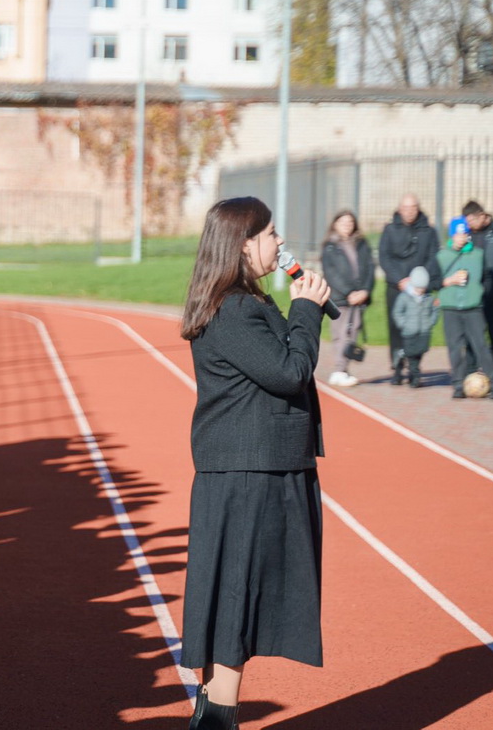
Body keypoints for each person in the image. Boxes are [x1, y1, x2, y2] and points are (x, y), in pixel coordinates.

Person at [178, 197, 329, 730]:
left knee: (235, 591)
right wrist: (306, 310)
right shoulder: (235, 309)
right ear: (244, 244)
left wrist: (296, 309)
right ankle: (219, 717)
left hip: (254, 468)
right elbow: (289, 373)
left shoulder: (244, 301)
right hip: (248, 473)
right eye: (270, 233)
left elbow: (282, 361)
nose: (279, 240)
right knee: (236, 593)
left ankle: (213, 712)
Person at [435, 219, 493, 399]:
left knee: (481, 346)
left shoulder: (478, 255)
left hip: (473, 308)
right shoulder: (442, 256)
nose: (461, 238)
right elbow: (434, 281)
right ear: (452, 235)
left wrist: (480, 291)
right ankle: (457, 384)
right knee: (455, 347)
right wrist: (448, 282)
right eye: (458, 234)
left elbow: (487, 277)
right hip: (451, 308)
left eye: (464, 234)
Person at [378, 194, 441, 363]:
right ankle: (397, 363)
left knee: (419, 327)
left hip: (420, 288)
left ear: (418, 208)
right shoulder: (390, 230)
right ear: (400, 209)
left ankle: (414, 365)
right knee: (395, 324)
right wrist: (400, 280)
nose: (409, 212)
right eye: (405, 208)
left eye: (413, 207)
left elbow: (433, 256)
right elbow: (384, 257)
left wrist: (418, 281)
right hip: (396, 286)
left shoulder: (429, 231)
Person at [319, 210, 374, 387]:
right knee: (341, 332)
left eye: (350, 222)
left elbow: (369, 268)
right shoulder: (329, 246)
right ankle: (339, 369)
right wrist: (349, 292)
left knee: (353, 332)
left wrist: (365, 290)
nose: (347, 225)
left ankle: (344, 369)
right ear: (335, 224)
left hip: (359, 297)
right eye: (343, 222)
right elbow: (332, 274)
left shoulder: (361, 244)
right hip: (340, 298)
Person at [462, 200, 493, 368]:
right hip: (473, 292)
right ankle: (470, 372)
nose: (470, 225)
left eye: (471, 221)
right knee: (472, 334)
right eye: (467, 222)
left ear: (482, 216)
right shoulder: (468, 236)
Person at [392, 266, 440, 387]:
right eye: (418, 288)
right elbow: (397, 312)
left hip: (424, 332)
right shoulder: (404, 297)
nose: (420, 291)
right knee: (412, 356)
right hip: (409, 332)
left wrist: (431, 322)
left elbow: (435, 310)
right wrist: (403, 324)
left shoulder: (429, 298)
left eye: (423, 288)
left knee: (419, 353)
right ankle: (415, 378)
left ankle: (402, 355)